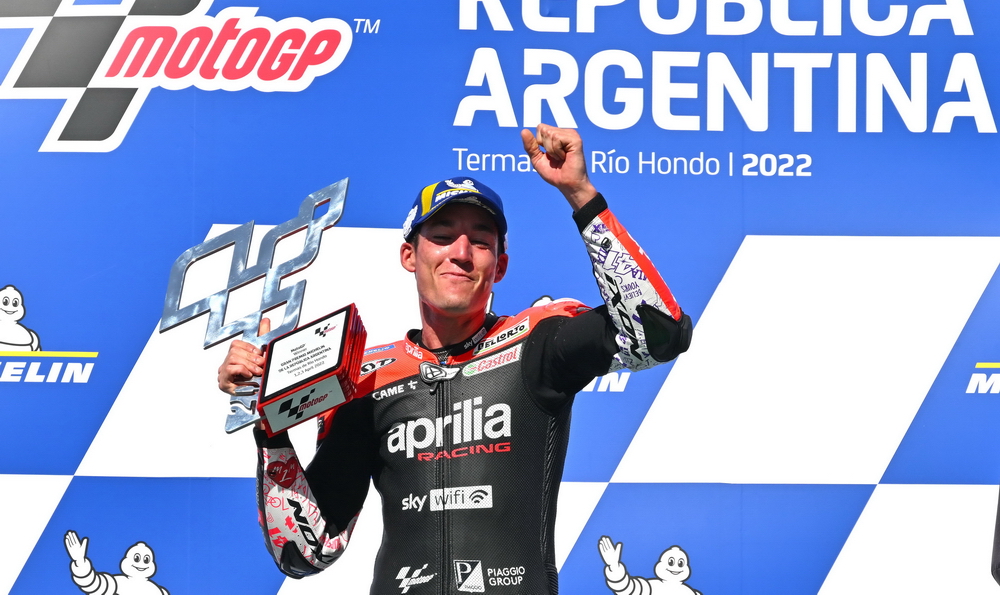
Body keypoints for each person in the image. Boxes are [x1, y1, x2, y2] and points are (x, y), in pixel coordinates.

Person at [218, 125, 692, 594]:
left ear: (500, 266)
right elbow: (306, 550)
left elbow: (659, 334)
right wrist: (268, 421)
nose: (461, 253)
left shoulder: (538, 340)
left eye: (480, 241)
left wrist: (582, 195)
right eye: (443, 236)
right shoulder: (367, 378)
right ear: (410, 255)